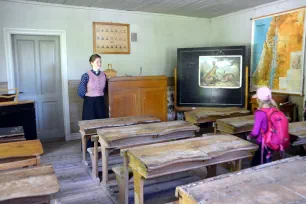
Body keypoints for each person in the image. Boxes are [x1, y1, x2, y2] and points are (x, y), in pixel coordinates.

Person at [77, 54, 108, 148]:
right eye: (97, 62)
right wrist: (89, 98)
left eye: (100, 61)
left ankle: (101, 146)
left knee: (101, 124)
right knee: (90, 126)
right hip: (89, 103)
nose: (99, 64)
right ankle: (89, 148)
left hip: (101, 102)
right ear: (91, 63)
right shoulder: (86, 75)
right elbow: (80, 91)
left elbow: (106, 89)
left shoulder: (104, 75)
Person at [247, 87, 278, 167]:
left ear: (259, 100)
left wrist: (249, 136)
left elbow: (255, 132)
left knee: (255, 164)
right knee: (267, 158)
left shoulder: (259, 113)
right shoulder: (275, 109)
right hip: (274, 140)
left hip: (264, 142)